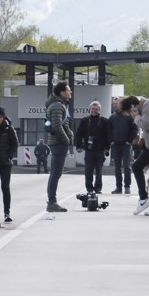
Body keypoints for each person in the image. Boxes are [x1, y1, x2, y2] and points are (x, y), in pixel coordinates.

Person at [45, 82, 74, 212]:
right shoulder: (57, 105)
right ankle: (52, 202)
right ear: (62, 93)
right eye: (68, 90)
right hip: (58, 143)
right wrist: (66, 140)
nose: (70, 92)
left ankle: (52, 201)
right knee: (56, 173)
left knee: (55, 173)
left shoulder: (59, 104)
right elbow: (57, 126)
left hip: (57, 143)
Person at [73, 100, 111, 194]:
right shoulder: (85, 120)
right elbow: (79, 134)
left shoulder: (104, 121)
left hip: (100, 150)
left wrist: (107, 148)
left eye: (96, 109)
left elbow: (108, 135)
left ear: (99, 110)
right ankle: (89, 188)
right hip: (89, 150)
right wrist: (79, 146)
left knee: (99, 171)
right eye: (93, 109)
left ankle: (98, 188)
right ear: (89, 109)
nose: (94, 110)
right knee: (88, 170)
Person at [108, 97, 138, 194]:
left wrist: (129, 141)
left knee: (126, 166)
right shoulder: (112, 117)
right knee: (117, 167)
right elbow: (108, 130)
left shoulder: (129, 116)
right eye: (115, 103)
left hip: (126, 145)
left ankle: (127, 186)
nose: (115, 104)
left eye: (117, 103)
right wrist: (111, 140)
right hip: (116, 145)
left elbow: (134, 129)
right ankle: (118, 187)